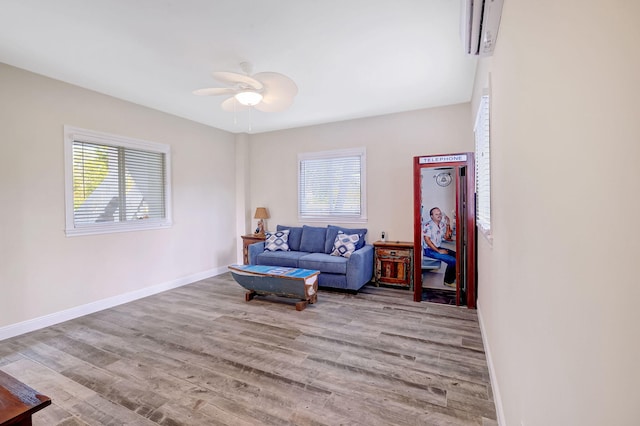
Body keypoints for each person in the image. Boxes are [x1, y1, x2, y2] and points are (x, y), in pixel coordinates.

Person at [423, 207, 456, 288]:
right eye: (436, 214)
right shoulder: (427, 225)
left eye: (440, 213)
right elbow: (427, 240)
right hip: (429, 250)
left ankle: (453, 277)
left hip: (437, 247)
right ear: (431, 216)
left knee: (457, 255)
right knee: (453, 260)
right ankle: (448, 281)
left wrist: (448, 223)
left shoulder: (441, 224)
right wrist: (438, 251)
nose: (439, 215)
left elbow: (447, 237)